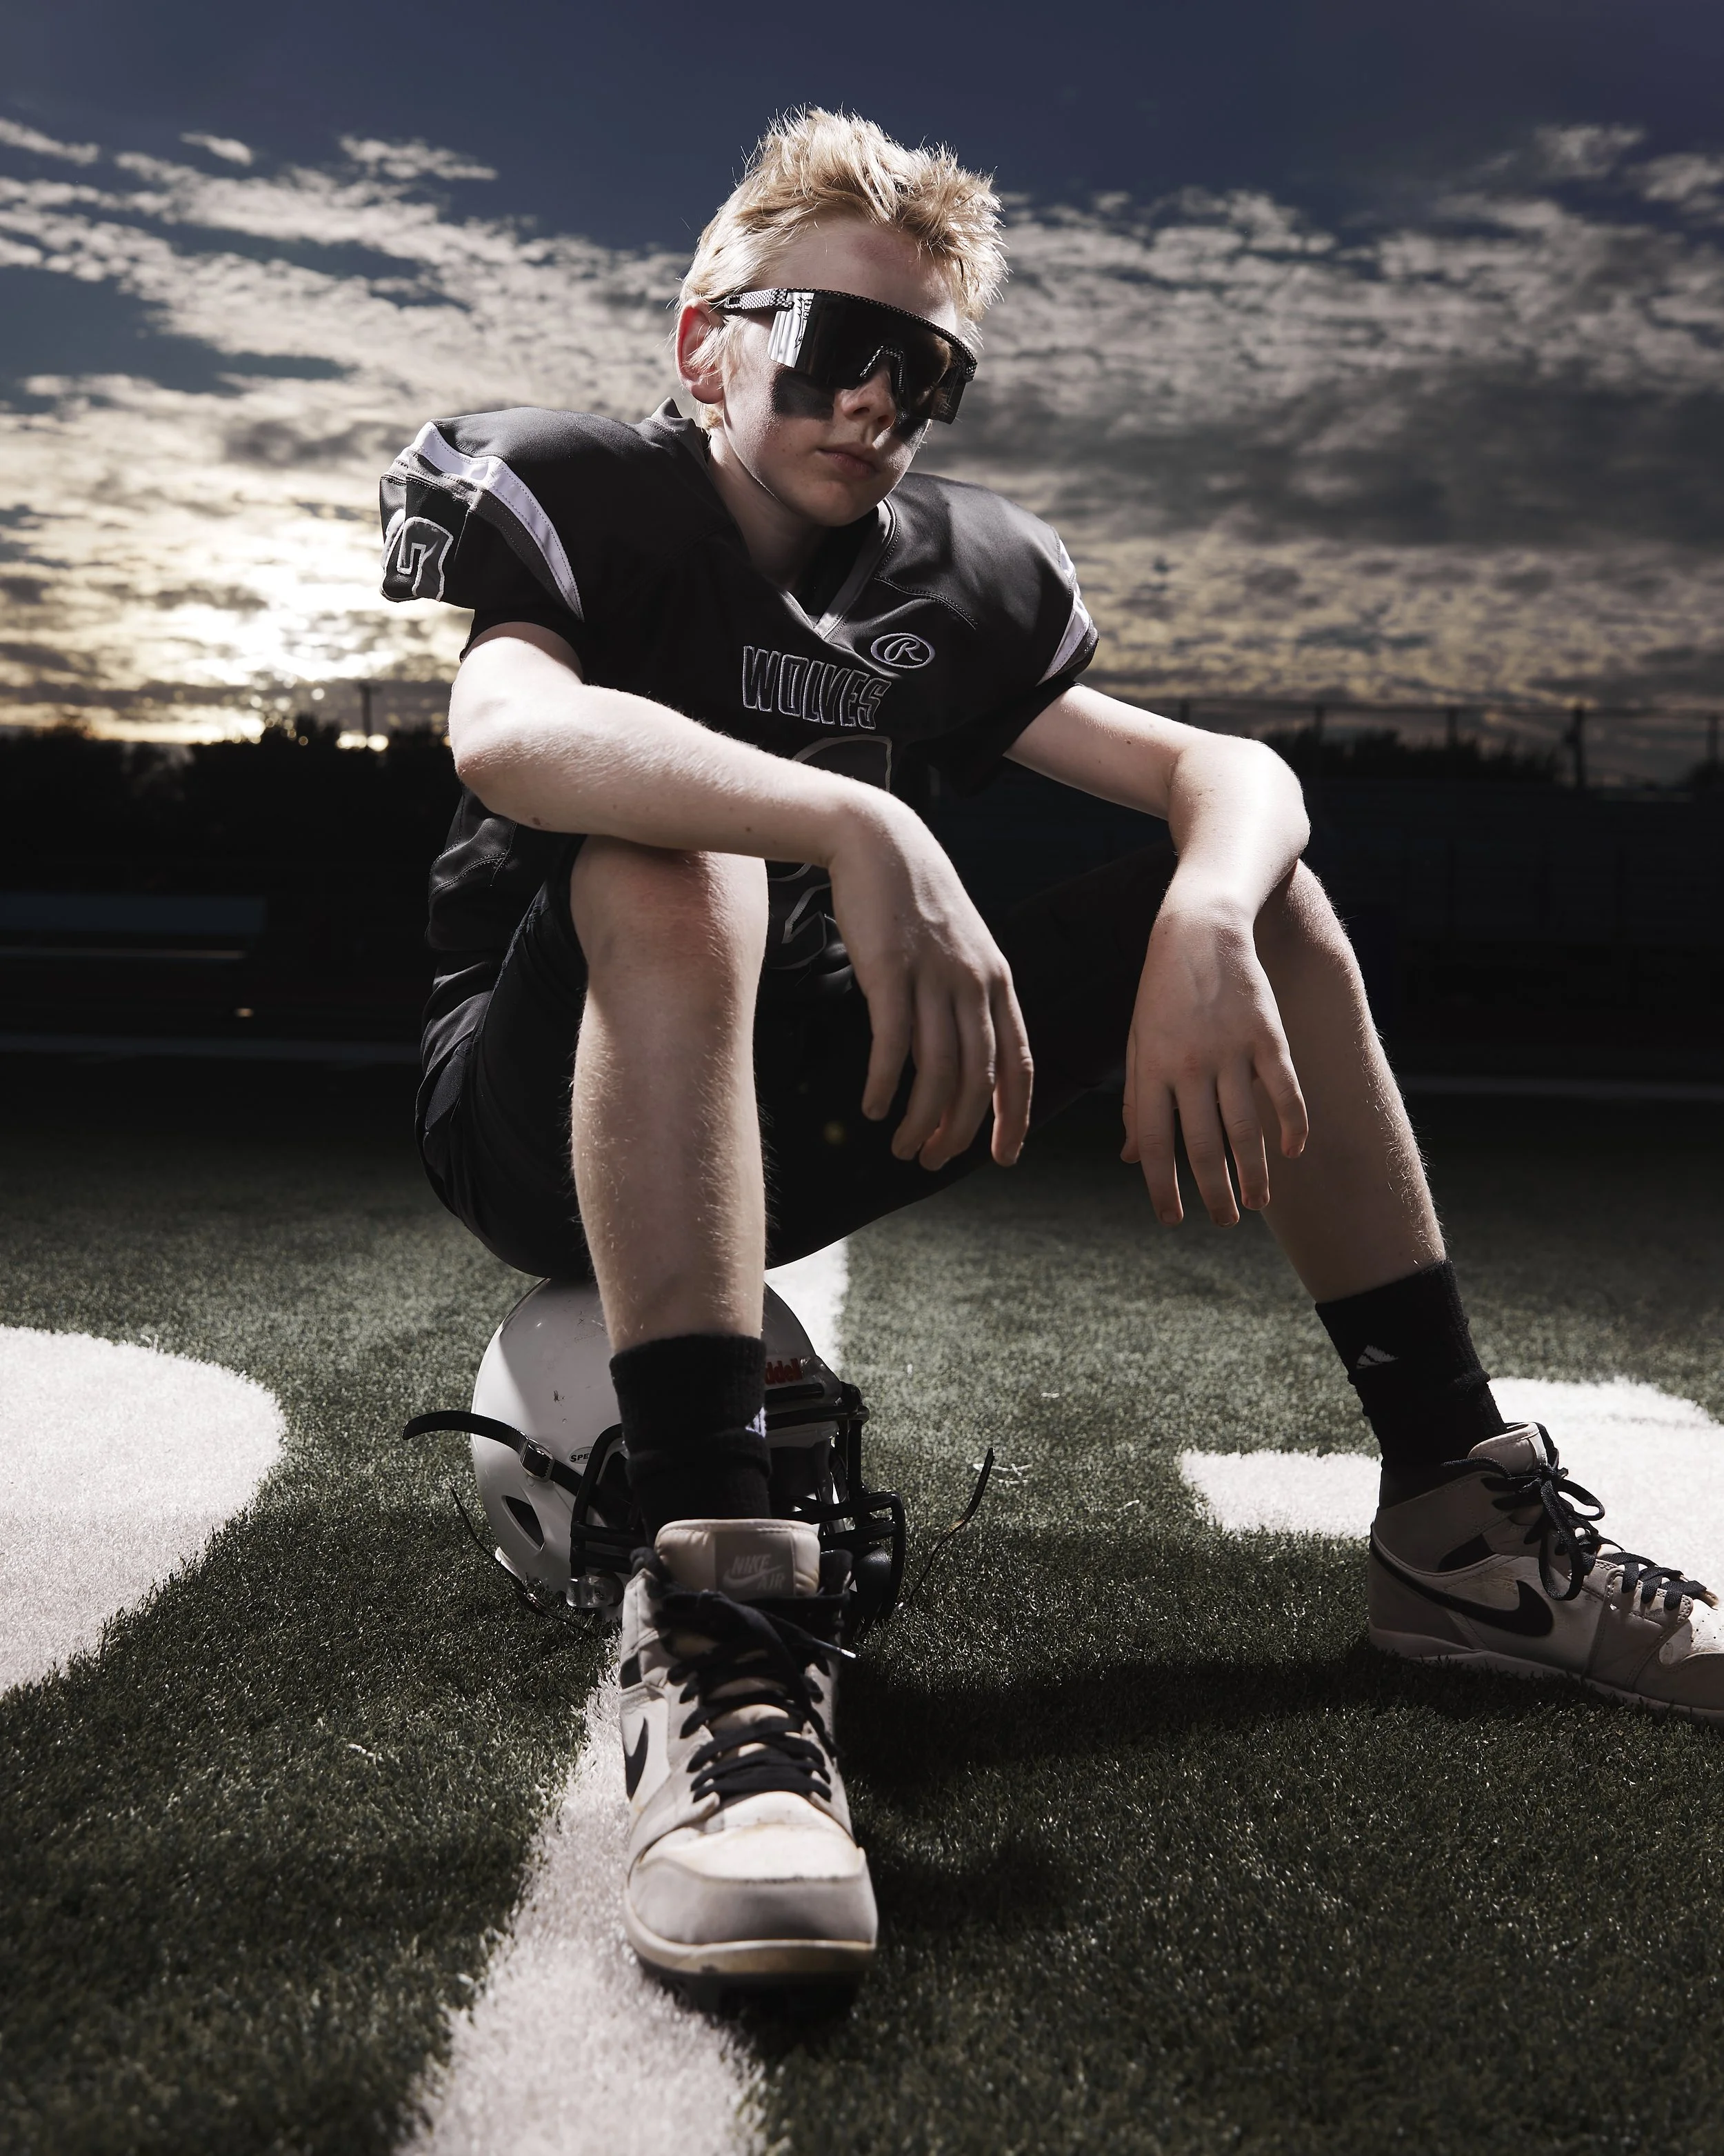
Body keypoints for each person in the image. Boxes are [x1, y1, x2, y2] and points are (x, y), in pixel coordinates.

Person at [381, 108, 1724, 1995]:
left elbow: (1230, 774)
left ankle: (1455, 1522)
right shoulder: (588, 491)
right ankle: (722, 1620)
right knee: (683, 859)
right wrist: (858, 823)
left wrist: (1194, 911)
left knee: (1263, 896)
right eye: (835, 344)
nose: (878, 406)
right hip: (541, 1098)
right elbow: (509, 734)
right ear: (703, 342)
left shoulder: (947, 570)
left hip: (810, 1080)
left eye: (923, 370)